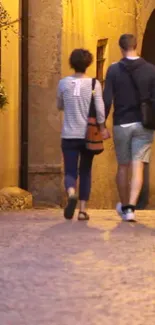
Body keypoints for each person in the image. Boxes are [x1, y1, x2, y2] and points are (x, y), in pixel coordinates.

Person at [103, 34, 155, 221]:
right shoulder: (151, 70)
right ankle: (132, 208)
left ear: (120, 48)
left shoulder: (114, 70)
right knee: (138, 166)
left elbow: (107, 99)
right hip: (143, 124)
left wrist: (101, 125)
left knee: (123, 166)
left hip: (121, 123)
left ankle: (125, 207)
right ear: (136, 46)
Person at [57, 49, 107, 221]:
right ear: (88, 64)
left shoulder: (63, 83)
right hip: (88, 135)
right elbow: (100, 110)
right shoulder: (94, 84)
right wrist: (102, 127)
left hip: (69, 134)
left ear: (72, 63)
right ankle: (83, 210)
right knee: (85, 170)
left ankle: (71, 193)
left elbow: (60, 105)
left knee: (70, 171)